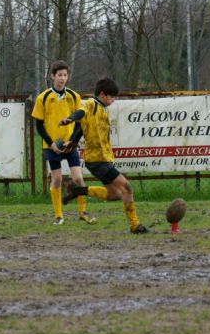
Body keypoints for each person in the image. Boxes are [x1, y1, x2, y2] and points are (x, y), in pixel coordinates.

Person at [59, 77, 148, 234]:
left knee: (114, 194)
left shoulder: (102, 109)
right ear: (102, 94)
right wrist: (69, 119)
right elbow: (80, 113)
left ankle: (77, 191)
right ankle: (135, 225)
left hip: (103, 159)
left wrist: (72, 142)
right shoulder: (91, 104)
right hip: (97, 160)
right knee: (126, 188)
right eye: (111, 97)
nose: (113, 100)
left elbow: (82, 128)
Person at [31, 60, 96, 225]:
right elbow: (38, 125)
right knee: (57, 179)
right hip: (52, 146)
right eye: (59, 75)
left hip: (70, 145)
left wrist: (71, 142)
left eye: (65, 75)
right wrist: (51, 143)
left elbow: (80, 121)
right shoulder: (43, 97)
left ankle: (83, 212)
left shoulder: (74, 96)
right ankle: (59, 215)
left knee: (78, 179)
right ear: (52, 76)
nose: (62, 78)